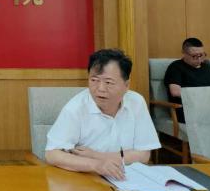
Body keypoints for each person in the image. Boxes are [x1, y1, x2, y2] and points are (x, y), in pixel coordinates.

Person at [45, 49, 160, 180]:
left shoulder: (136, 102)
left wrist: (98, 156)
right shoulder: (76, 108)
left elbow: (144, 155)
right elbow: (52, 154)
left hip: (126, 178)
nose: (100, 89)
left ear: (126, 85)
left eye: (108, 82)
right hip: (86, 179)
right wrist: (95, 165)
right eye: (94, 80)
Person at [164, 37, 210, 123]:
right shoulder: (176, 67)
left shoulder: (206, 67)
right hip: (188, 110)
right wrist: (203, 96)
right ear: (184, 53)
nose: (199, 59)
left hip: (207, 108)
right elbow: (175, 92)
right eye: (194, 56)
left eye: (202, 55)